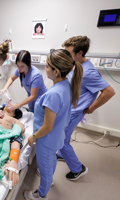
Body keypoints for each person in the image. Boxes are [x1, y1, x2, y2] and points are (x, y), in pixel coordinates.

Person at [24, 49, 83, 199]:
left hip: (47, 139)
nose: (45, 68)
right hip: (57, 136)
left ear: (56, 71)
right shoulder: (66, 85)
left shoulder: (54, 95)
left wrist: (34, 137)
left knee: (45, 168)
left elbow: (47, 127)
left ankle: (41, 194)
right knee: (50, 162)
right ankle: (49, 179)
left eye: (47, 66)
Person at [56, 36, 115, 181]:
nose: (66, 55)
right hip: (69, 109)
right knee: (65, 136)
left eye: (68, 52)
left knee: (62, 140)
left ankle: (78, 169)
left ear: (80, 53)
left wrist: (92, 108)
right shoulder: (75, 64)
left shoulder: (89, 72)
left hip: (75, 112)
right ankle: (63, 154)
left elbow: (109, 92)